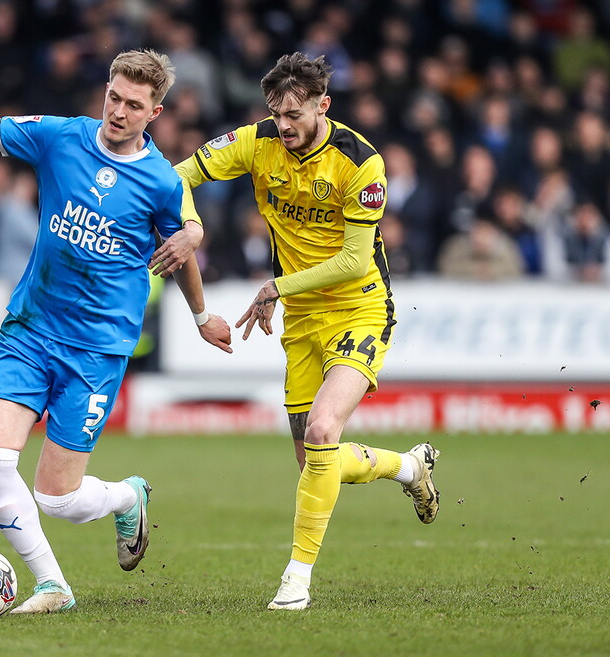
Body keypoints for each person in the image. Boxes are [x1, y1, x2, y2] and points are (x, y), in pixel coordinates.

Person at [0, 50, 231, 613]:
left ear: (155, 112)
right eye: (114, 97)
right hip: (29, 329)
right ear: (104, 91)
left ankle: (128, 495)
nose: (120, 112)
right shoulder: (60, 137)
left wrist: (203, 318)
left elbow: (180, 252)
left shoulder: (161, 182)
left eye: (135, 105)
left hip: (97, 349)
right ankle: (54, 586)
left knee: (57, 499)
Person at [173, 53, 440, 611]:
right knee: (316, 463)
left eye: (294, 112)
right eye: (275, 112)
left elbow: (353, 260)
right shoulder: (257, 140)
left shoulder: (360, 163)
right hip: (301, 320)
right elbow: (176, 178)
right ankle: (410, 467)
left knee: (322, 430)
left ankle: (296, 581)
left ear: (324, 105)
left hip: (359, 308)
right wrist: (191, 225)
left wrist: (276, 287)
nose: (284, 124)